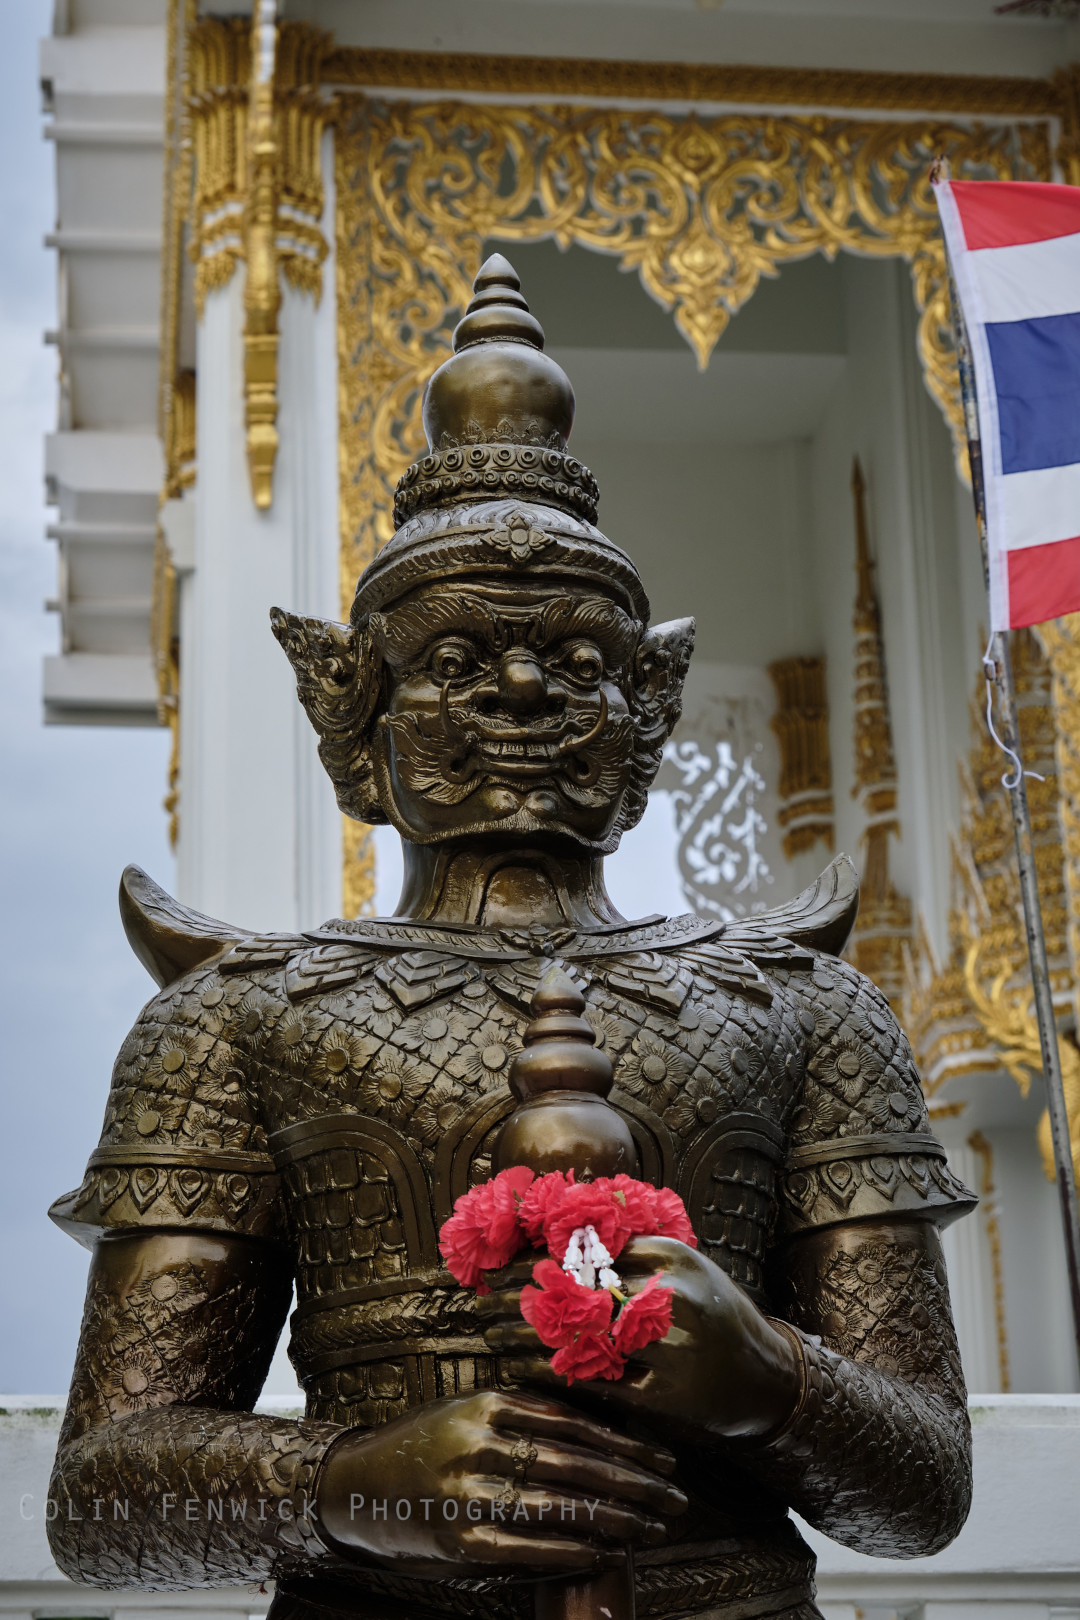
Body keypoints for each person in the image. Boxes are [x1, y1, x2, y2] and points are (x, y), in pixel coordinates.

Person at [48, 255, 976, 1620]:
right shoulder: (240, 1017)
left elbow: (924, 1490)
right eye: (459, 663)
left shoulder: (803, 1009)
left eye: (586, 663)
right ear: (354, 727)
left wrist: (772, 1378)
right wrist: (356, 1485)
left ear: (649, 717)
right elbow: (103, 1494)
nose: (530, 689)